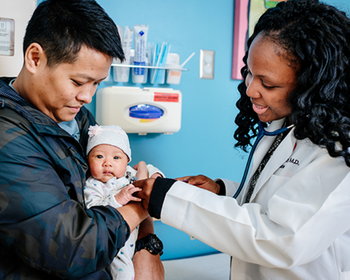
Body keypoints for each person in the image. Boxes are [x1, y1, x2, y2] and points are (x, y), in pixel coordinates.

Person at [133, 0, 350, 279]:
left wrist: (170, 199)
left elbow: (283, 239)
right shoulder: (286, 124)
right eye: (248, 73)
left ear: (312, 84)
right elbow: (279, 197)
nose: (250, 90)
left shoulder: (339, 152)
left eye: (268, 84)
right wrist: (223, 192)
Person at [0, 0, 164, 279]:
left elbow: (119, 180)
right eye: (78, 82)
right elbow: (74, 246)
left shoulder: (77, 117)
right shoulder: (8, 137)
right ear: (35, 59)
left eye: (97, 83)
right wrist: (143, 204)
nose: (88, 96)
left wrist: (147, 242)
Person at [84, 124, 164, 280]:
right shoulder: (93, 184)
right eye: (99, 156)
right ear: (88, 159)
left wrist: (154, 174)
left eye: (116, 157)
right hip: (115, 245)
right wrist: (117, 199)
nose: (107, 163)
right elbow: (93, 210)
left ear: (127, 160)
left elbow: (152, 171)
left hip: (135, 237)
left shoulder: (128, 174)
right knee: (125, 274)